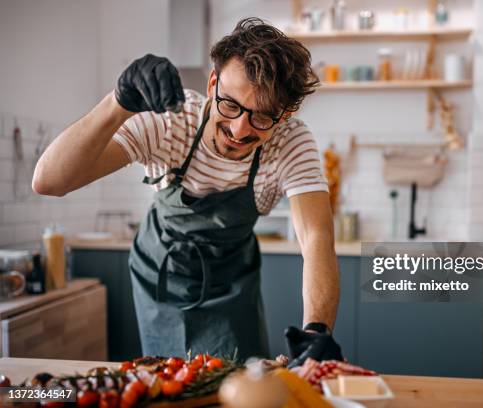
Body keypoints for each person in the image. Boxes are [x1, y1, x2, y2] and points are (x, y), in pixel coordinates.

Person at [32, 18, 342, 366]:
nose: (240, 129)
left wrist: (316, 330)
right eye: (231, 105)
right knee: (168, 383)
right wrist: (117, 103)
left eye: (263, 117)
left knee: (240, 384)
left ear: (284, 115)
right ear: (213, 84)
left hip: (232, 285)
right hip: (159, 278)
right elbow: (49, 181)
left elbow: (315, 236)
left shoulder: (291, 142)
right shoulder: (170, 121)